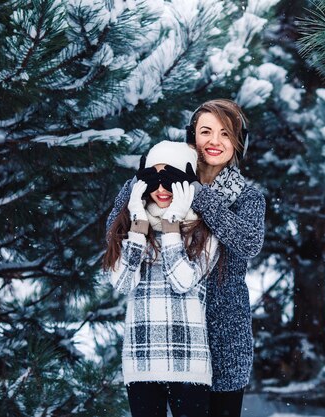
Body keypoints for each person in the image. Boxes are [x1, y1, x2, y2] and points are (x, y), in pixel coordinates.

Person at [107, 99, 266, 417]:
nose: (214, 141)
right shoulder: (152, 181)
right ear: (191, 136)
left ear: (238, 142)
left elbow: (247, 243)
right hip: (163, 334)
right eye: (206, 131)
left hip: (222, 335)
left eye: (225, 133)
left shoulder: (246, 197)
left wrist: (195, 192)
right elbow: (115, 232)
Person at [103, 140, 219, 417]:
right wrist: (138, 226)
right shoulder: (130, 228)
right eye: (152, 179)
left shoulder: (205, 233)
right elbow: (122, 283)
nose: (161, 189)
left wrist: (171, 227)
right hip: (142, 361)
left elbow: (182, 281)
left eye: (171, 179)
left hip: (188, 359)